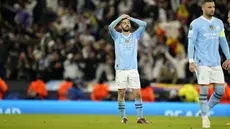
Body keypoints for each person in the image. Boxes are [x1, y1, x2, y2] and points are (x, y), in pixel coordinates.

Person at [188, 0, 230, 128]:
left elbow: (223, 41)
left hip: (216, 62)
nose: (212, 9)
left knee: (220, 91)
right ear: (203, 8)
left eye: (214, 7)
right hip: (202, 63)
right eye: (209, 7)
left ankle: (204, 110)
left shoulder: (219, 23)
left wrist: (228, 58)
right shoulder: (195, 24)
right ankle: (205, 119)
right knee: (204, 91)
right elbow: (191, 43)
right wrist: (191, 61)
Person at [108, 14, 149, 124]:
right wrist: (120, 18)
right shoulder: (116, 36)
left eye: (128, 23)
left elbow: (144, 24)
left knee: (138, 93)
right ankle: (123, 117)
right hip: (121, 70)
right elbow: (110, 27)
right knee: (121, 93)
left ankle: (140, 118)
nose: (127, 24)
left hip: (133, 70)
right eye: (124, 23)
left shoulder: (135, 36)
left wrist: (131, 18)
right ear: (120, 26)